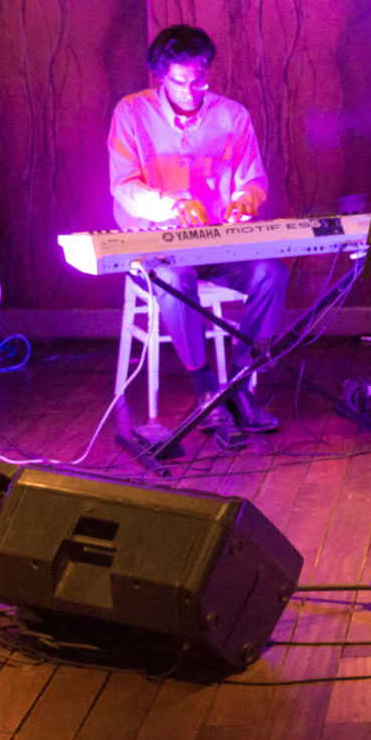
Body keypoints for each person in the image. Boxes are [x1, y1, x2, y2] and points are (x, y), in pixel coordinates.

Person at [107, 24, 284, 435]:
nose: (190, 92)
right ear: (160, 77)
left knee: (271, 274)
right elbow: (123, 186)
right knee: (174, 278)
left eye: (199, 80)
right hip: (158, 241)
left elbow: (253, 180)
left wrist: (245, 200)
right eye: (179, 82)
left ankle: (239, 384)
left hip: (218, 242)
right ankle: (206, 389)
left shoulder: (232, 116)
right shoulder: (132, 113)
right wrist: (172, 205)